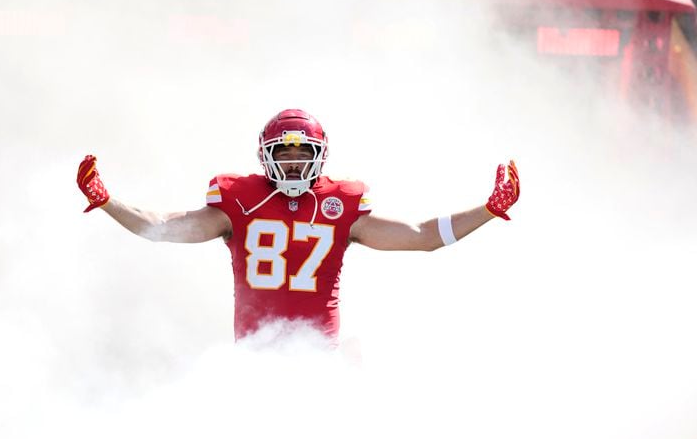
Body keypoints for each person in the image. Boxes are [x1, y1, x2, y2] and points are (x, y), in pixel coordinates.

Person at [77, 108, 520, 341]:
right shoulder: (238, 201)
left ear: (318, 156)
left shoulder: (341, 204)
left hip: (320, 358)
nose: (292, 162)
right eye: (283, 153)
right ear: (266, 156)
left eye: (301, 153)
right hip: (254, 358)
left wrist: (487, 209)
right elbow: (162, 226)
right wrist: (108, 201)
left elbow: (422, 237)